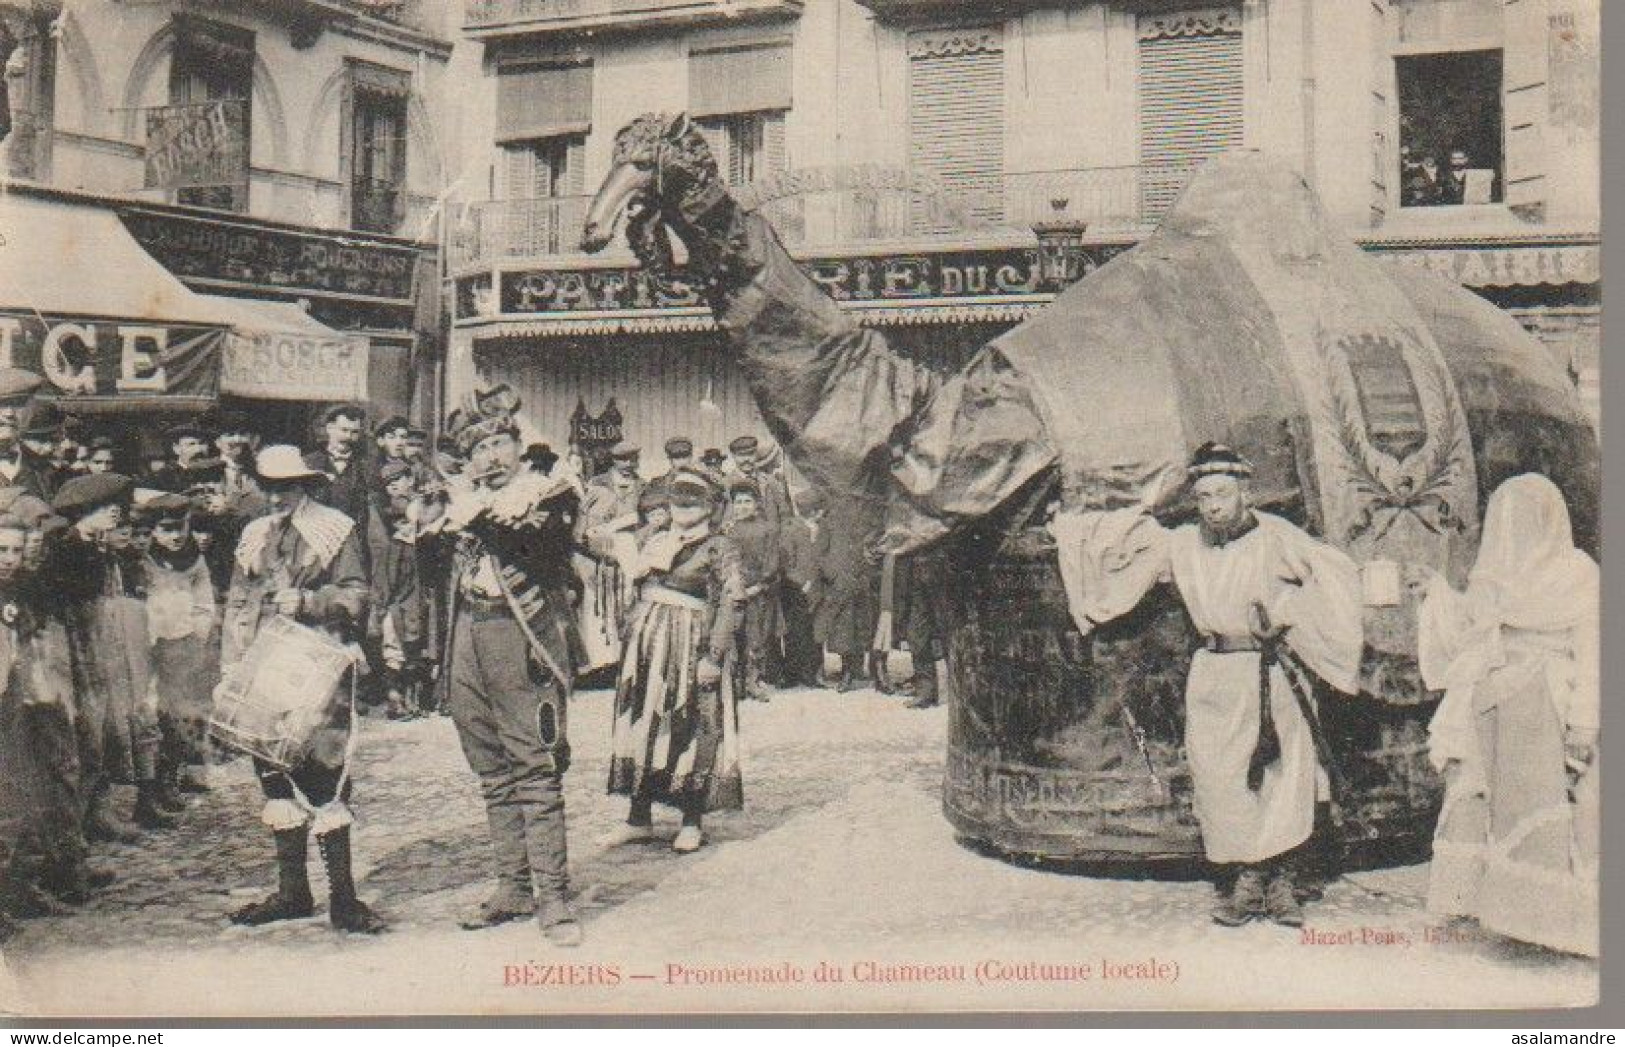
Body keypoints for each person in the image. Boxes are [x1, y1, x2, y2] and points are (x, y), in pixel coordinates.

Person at [1049, 442, 1363, 927]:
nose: (1213, 505)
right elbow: (1121, 555)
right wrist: (1075, 541)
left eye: (1222, 493)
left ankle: (1281, 882)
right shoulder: (1180, 544)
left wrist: (1293, 616)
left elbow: (1336, 575)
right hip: (1214, 673)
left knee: (1282, 774)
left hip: (1271, 671)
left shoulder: (1277, 537)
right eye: (1203, 497)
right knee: (1221, 778)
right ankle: (1244, 879)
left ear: (1244, 493)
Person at [1416, 473, 1598, 957]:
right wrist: (1435, 594)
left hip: (1548, 704)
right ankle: (1499, 909)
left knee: (1550, 811)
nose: (1511, 530)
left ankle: (1550, 919)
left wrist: (1584, 721)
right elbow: (1468, 631)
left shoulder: (1578, 575)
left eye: (1521, 520)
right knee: (1483, 800)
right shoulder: (1495, 576)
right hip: (1495, 701)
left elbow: (1597, 653)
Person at [434, 389, 585, 945]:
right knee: (490, 769)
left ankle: (554, 898)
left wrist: (477, 519)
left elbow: (541, 552)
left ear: (518, 445)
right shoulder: (466, 496)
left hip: (522, 635)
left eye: (500, 444)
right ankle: (513, 886)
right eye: (480, 449)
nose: (491, 457)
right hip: (468, 632)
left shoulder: (549, 489)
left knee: (535, 767)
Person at [220, 446, 383, 934]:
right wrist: (231, 666)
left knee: (324, 774)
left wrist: (312, 600)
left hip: (319, 664)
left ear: (305, 486)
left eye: (285, 487)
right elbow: (237, 604)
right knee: (271, 768)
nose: (275, 497)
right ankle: (292, 891)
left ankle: (344, 898)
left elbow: (358, 594)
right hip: (264, 667)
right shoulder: (253, 536)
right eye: (267, 487)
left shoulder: (336, 529)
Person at [604, 470, 746, 854]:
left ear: (712, 505)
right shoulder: (655, 539)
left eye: (694, 498)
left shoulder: (719, 547)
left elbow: (733, 602)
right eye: (677, 497)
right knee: (642, 722)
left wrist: (714, 658)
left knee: (689, 723)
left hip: (690, 645)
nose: (683, 505)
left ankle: (691, 819)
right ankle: (639, 818)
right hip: (647, 646)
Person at [47, 473, 171, 839]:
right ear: (85, 512)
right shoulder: (66, 550)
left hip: (103, 650)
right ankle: (75, 828)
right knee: (82, 736)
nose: (115, 513)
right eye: (106, 508)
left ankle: (97, 814)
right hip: (75, 651)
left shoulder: (101, 550)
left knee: (102, 732)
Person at [139, 494, 218, 801]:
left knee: (184, 710)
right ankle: (154, 781)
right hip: (150, 645)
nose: (175, 536)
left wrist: (197, 634)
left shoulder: (194, 559)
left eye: (180, 528)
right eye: (166, 529)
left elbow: (204, 603)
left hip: (183, 644)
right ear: (154, 531)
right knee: (153, 712)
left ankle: (178, 771)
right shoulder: (143, 560)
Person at [574, 440, 643, 675]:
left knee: (628, 604)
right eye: (623, 459)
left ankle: (626, 664)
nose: (628, 464)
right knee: (599, 610)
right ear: (613, 461)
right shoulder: (597, 485)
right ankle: (602, 665)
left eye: (633, 459)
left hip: (630, 555)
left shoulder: (641, 486)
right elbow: (584, 525)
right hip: (599, 559)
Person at [369, 462, 426, 720]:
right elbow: (387, 574)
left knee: (417, 647)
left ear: (411, 480)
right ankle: (395, 699)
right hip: (399, 598)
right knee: (394, 645)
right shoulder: (389, 528)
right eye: (389, 482)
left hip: (421, 595)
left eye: (399, 479)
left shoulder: (426, 511)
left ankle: (415, 698)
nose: (393, 485)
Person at [724, 482, 780, 703]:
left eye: (748, 501)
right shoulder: (728, 529)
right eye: (738, 502)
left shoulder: (767, 529)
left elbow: (772, 563)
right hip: (732, 590)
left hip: (757, 592)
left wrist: (758, 586)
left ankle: (753, 681)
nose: (742, 506)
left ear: (757, 504)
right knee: (733, 636)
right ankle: (735, 683)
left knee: (755, 638)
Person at [307, 404, 373, 528]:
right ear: (329, 428)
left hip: (353, 539)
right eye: (344, 430)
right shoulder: (309, 464)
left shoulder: (366, 467)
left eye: (354, 432)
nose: (348, 437)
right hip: (315, 535)